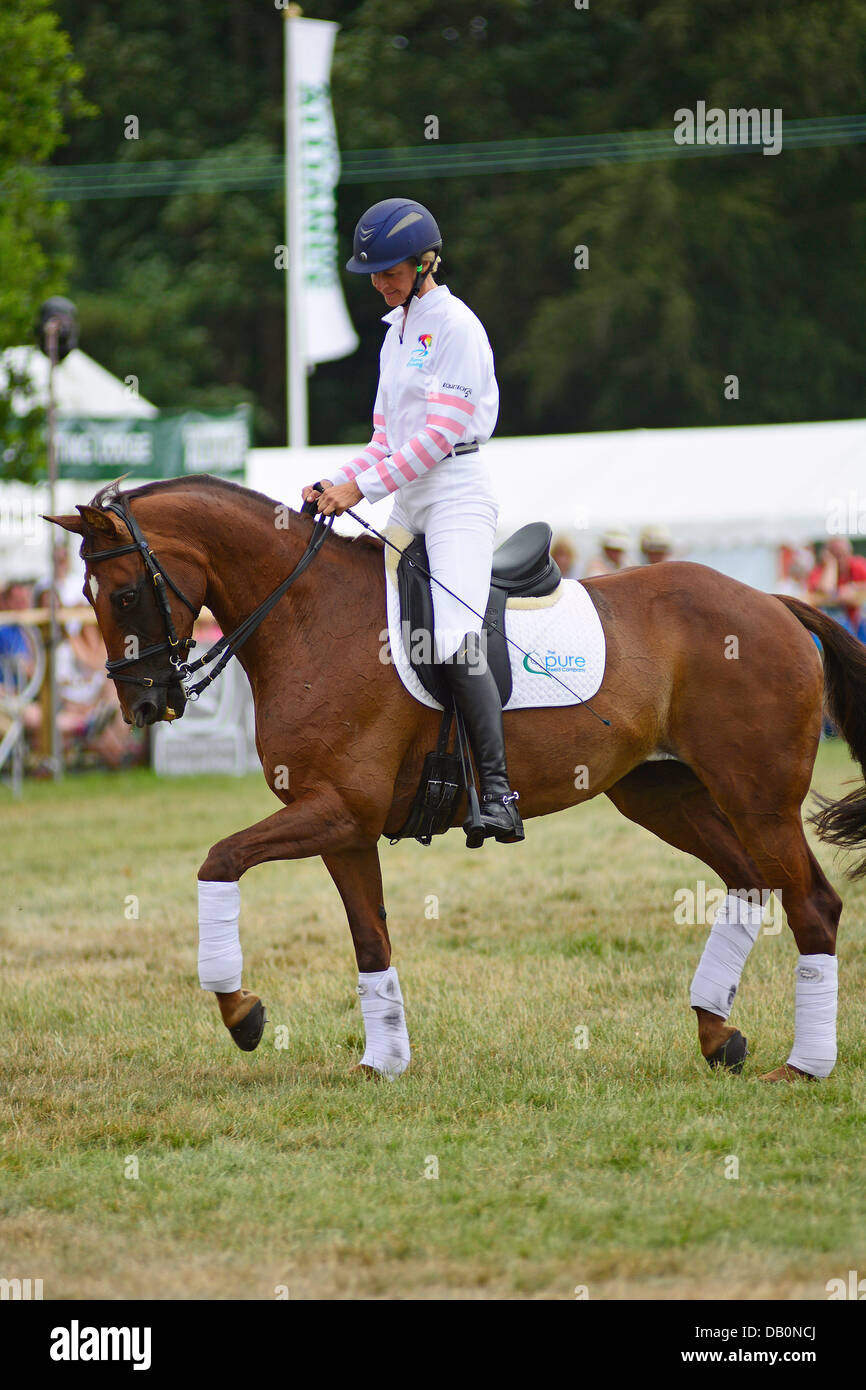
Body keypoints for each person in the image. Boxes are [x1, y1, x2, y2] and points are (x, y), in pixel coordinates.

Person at [302, 197, 522, 846]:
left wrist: (359, 489)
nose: (379, 280)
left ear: (427, 262)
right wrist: (336, 483)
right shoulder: (395, 332)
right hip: (406, 495)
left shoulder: (455, 326)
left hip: (454, 490)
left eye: (391, 269)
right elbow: (383, 438)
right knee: (367, 615)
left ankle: (500, 791)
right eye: (372, 271)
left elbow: (438, 436)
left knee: (454, 636)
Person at [807, 537, 866, 640]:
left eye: (843, 554)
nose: (841, 558)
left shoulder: (857, 565)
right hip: (834, 628)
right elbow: (826, 589)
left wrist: (854, 588)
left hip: (857, 626)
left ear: (850, 553)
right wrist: (831, 564)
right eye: (835, 555)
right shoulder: (820, 571)